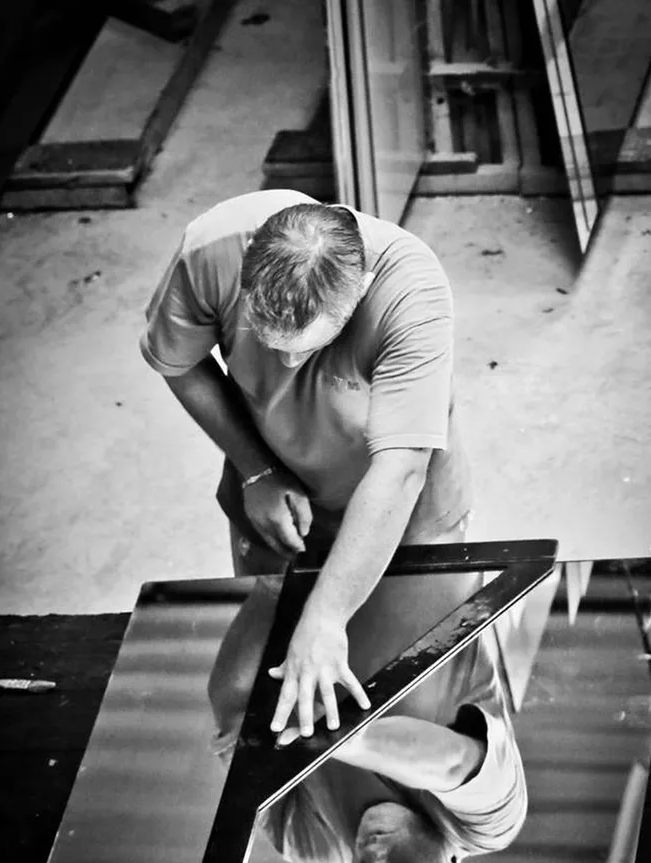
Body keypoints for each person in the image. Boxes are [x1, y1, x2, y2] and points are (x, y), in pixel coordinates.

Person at [141, 189, 473, 738]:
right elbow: (179, 361)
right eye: (269, 345)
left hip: (403, 512)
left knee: (401, 706)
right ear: (246, 275)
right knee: (238, 698)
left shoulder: (411, 294)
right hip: (278, 487)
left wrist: (325, 617)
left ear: (359, 293)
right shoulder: (214, 248)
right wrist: (257, 470)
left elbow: (400, 470)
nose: (285, 363)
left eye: (305, 350)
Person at [208, 570, 528, 863]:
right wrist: (335, 735)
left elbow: (234, 717)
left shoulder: (316, 849)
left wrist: (274, 585)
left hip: (298, 566)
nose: (370, 855)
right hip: (417, 540)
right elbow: (451, 761)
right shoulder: (490, 824)